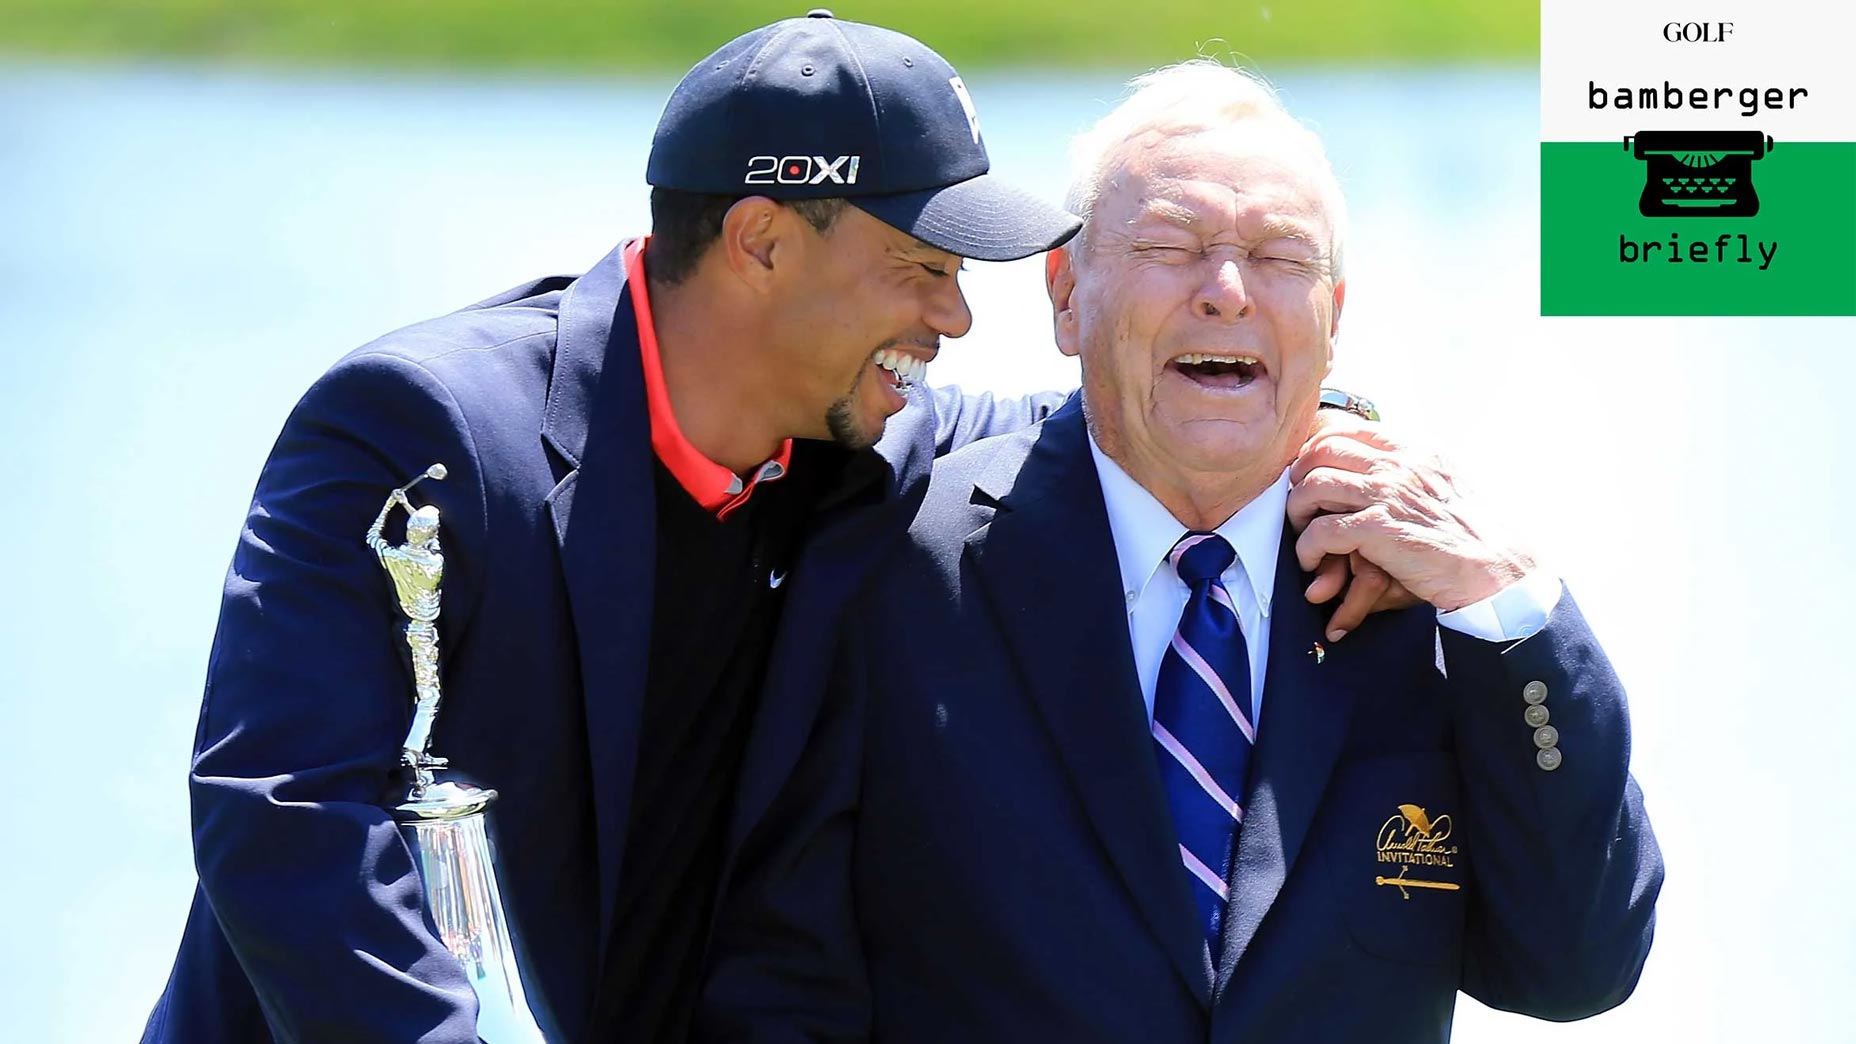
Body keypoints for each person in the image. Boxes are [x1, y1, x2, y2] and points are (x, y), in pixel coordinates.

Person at [137, 12, 1090, 1043]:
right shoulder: (418, 429)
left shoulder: (874, 446)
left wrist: (1243, 369)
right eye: (922, 267)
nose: (954, 319)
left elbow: (1114, 434)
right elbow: (284, 809)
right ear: (761, 242)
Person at [699, 61, 1663, 1043]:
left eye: (1279, 257)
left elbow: (1574, 967)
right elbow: (779, 983)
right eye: (1170, 245)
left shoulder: (1435, 601)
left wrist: (1504, 598)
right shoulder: (890, 566)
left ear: (1332, 319)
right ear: (1066, 295)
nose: (1228, 292)